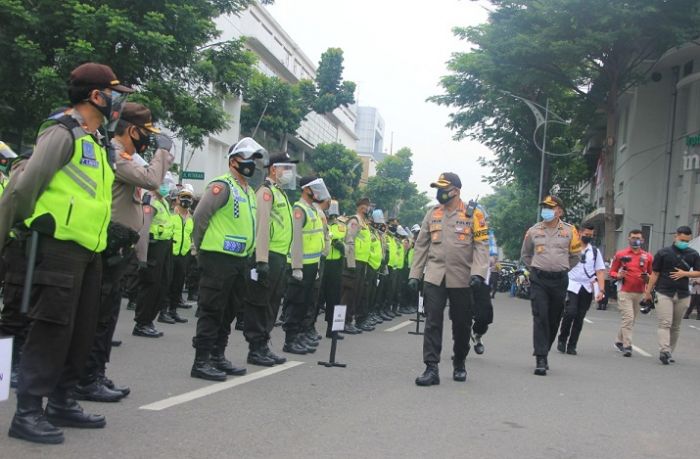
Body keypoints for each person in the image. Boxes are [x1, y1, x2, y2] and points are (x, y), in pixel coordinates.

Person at [2, 62, 133, 444]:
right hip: (56, 247)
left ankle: (62, 401)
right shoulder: (63, 134)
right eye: (115, 95)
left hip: (88, 252)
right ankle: (27, 412)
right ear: (96, 96)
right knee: (51, 330)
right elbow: (21, 189)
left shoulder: (96, 142)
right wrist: (18, 232)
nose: (118, 104)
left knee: (79, 330)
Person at [75, 102, 172, 403]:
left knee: (107, 313)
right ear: (132, 129)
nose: (149, 139)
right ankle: (86, 378)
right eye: (146, 133)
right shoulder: (115, 154)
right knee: (98, 313)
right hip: (108, 243)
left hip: (119, 244)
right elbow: (152, 180)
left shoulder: (126, 155)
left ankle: (95, 373)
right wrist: (162, 153)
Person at [190, 137, 265, 381]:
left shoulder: (248, 192)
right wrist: (200, 249)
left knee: (229, 311)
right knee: (211, 310)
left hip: (239, 260)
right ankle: (201, 360)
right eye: (248, 160)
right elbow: (200, 217)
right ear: (233, 161)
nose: (251, 165)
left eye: (254, 161)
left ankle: (217, 355)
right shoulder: (222, 186)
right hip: (218, 259)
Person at [409, 173, 489, 386]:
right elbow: (421, 245)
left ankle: (460, 361)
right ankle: (431, 368)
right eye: (438, 188)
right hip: (435, 275)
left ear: (456, 190)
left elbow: (481, 246)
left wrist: (478, 273)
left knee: (462, 324)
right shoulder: (432, 213)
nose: (439, 192)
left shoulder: (474, 215)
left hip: (462, 278)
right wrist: (415, 274)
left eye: (443, 188)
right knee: (432, 321)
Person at [244, 153, 296, 366]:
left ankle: (264, 344)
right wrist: (262, 259)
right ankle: (255, 348)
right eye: (286, 168)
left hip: (280, 256)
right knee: (259, 302)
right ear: (273, 169)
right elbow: (262, 226)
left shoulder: (280, 194)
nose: (289, 173)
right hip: (268, 256)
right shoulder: (266, 192)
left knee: (272, 302)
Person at [521, 195, 581, 376]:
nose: (546, 210)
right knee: (540, 315)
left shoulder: (571, 231)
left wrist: (561, 269)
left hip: (559, 280)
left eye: (550, 207)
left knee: (554, 318)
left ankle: (544, 348)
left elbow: (575, 256)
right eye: (544, 207)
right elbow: (525, 254)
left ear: (560, 211)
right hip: (539, 279)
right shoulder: (533, 231)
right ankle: (540, 357)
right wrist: (537, 270)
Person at [282, 177, 330, 354]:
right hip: (300, 265)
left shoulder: (313, 210)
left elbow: (317, 239)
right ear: (306, 189)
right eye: (315, 188)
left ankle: (299, 337)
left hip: (312, 265)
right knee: (295, 303)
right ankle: (289, 341)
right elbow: (296, 239)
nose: (318, 191)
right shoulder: (299, 209)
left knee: (305, 304)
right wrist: (296, 267)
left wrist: (316, 266)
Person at [644, 226, 700, 364]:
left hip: (683, 294)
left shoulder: (693, 254)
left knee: (676, 326)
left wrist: (685, 274)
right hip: (664, 291)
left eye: (687, 240)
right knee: (665, 323)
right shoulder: (663, 253)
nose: (684, 242)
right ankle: (664, 350)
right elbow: (655, 273)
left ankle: (669, 351)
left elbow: (698, 272)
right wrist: (648, 292)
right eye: (682, 239)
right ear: (675, 236)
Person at [133, 175, 175, 336]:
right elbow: (144, 229)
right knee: (150, 285)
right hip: (153, 247)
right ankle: (141, 323)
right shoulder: (150, 200)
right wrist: (142, 257)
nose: (165, 186)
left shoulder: (163, 201)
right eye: (163, 183)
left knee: (162, 284)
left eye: (167, 184)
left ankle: (149, 320)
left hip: (164, 247)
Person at [556, 223, 606, 356]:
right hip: (572, 284)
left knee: (580, 317)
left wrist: (601, 290)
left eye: (591, 235)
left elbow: (600, 271)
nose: (588, 237)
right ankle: (562, 339)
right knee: (570, 312)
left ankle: (572, 344)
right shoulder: (571, 248)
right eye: (586, 234)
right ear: (579, 233)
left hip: (587, 287)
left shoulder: (594, 251)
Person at [609, 229, 653, 357]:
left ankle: (619, 340)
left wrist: (648, 279)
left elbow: (652, 275)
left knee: (631, 320)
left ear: (643, 240)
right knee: (628, 318)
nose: (636, 240)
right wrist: (618, 275)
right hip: (624, 291)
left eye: (638, 238)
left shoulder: (648, 256)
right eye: (633, 237)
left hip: (640, 292)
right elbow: (612, 271)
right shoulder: (621, 254)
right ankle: (627, 345)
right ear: (628, 239)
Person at [340, 198, 373, 333]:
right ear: (360, 207)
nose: (367, 209)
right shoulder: (354, 221)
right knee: (347, 293)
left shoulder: (364, 223)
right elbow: (349, 241)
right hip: (353, 262)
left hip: (362, 262)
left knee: (356, 293)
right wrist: (351, 263)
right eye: (365, 207)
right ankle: (343, 322)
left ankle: (349, 320)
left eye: (368, 207)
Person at [164, 185, 194, 323]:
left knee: (178, 284)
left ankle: (173, 310)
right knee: (167, 283)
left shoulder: (190, 217)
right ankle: (163, 311)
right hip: (171, 253)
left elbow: (191, 236)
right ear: (177, 199)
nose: (186, 200)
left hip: (184, 255)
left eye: (189, 198)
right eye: (184, 197)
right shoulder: (171, 214)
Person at [320, 200, 346, 337]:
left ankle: (332, 329)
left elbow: (349, 244)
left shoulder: (342, 227)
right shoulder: (320, 220)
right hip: (322, 261)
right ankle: (308, 329)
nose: (332, 217)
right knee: (317, 297)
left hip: (336, 264)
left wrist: (342, 247)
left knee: (334, 298)